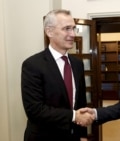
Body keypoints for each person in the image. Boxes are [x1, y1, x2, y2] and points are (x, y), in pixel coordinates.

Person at [21, 9, 94, 141]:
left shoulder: (77, 64)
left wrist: (82, 135)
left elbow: (80, 104)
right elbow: (35, 110)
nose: (72, 34)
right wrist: (73, 116)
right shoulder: (32, 65)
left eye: (73, 28)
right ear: (49, 31)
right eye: (67, 28)